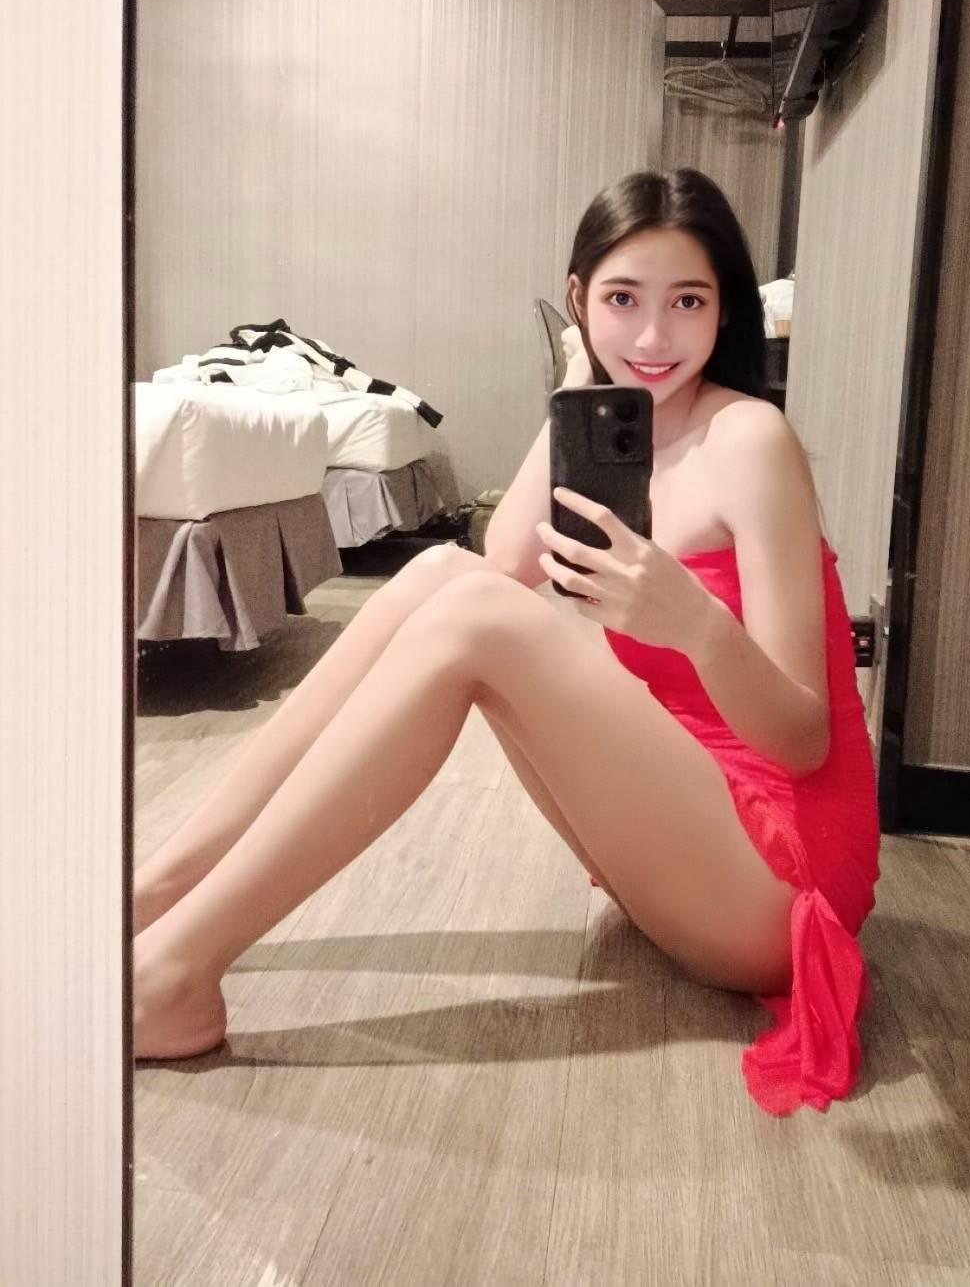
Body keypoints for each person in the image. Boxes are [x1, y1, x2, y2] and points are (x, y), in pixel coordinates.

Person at [133, 167, 880, 1116]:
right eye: (622, 299)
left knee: (476, 615)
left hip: (780, 875)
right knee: (441, 575)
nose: (654, 337)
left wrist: (697, 625)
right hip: (686, 825)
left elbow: (804, 740)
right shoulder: (616, 418)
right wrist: (576, 390)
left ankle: (173, 974)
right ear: (580, 301)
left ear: (723, 306)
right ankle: (160, 889)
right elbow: (506, 558)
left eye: (688, 301)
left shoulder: (750, 440)